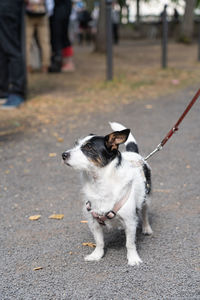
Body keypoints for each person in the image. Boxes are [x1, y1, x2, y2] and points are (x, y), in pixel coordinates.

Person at [0, 0, 26, 109]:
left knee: (12, 47)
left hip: (8, 5)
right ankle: (3, 91)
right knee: (2, 48)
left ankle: (17, 91)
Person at [25, 0, 54, 73]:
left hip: (29, 13)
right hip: (42, 12)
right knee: (45, 42)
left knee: (27, 42)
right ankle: (45, 66)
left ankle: (27, 66)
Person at [49, 0, 75, 72]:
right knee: (59, 36)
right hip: (59, 10)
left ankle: (67, 62)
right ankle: (62, 61)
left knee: (61, 36)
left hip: (61, 10)